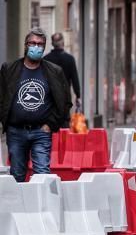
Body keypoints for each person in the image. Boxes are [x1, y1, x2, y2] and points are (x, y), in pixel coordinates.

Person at [0, 28, 71, 182]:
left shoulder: (54, 71)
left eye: (40, 44)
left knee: (42, 174)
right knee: (17, 174)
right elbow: (2, 96)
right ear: (26, 45)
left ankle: (42, 206)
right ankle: (18, 206)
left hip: (41, 132)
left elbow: (65, 101)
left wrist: (50, 124)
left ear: (45, 47)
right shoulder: (9, 69)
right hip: (16, 131)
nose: (36, 47)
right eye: (33, 43)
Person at [44, 32, 81, 114]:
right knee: (64, 119)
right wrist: (78, 96)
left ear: (52, 43)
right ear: (63, 43)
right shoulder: (69, 59)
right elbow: (75, 79)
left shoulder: (46, 59)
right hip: (65, 95)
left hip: (50, 95)